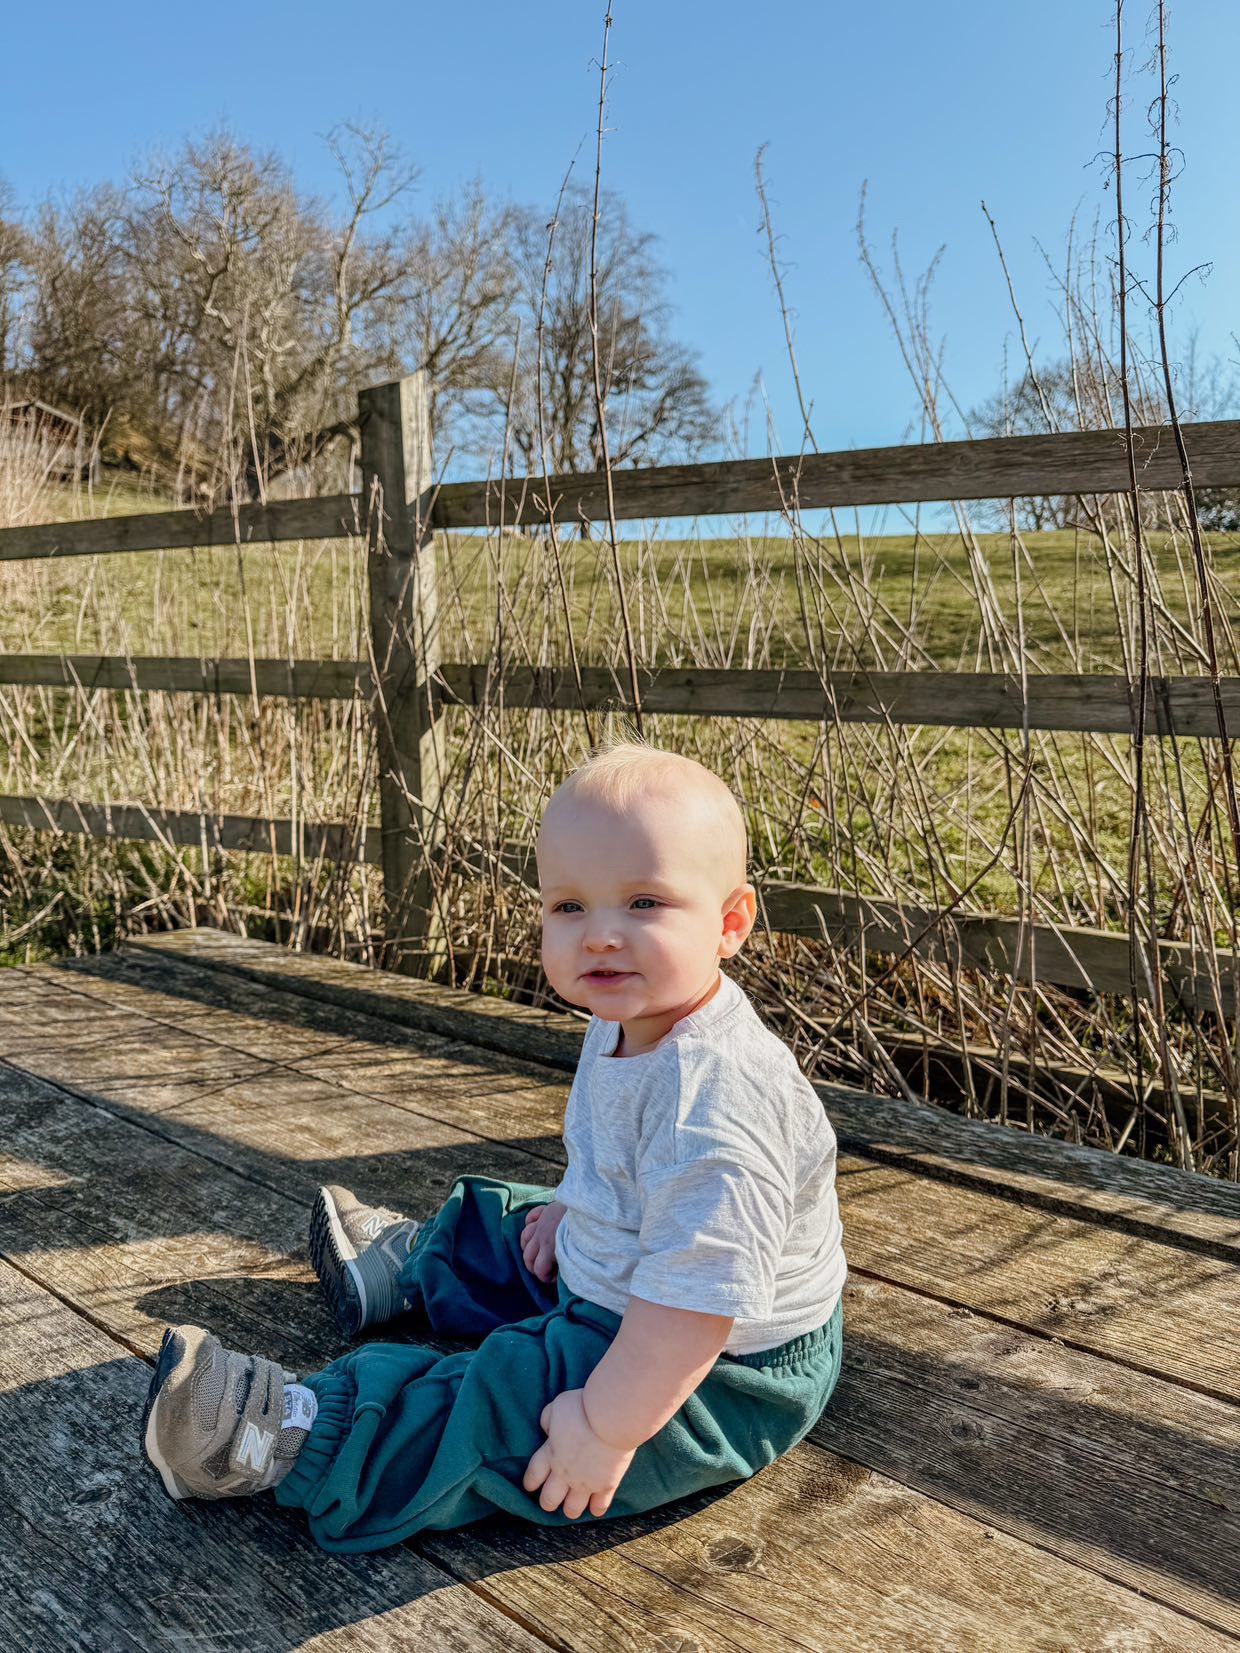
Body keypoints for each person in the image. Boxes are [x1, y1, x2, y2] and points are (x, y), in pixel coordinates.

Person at [140, 740, 847, 1551]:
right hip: (642, 1275)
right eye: (570, 906)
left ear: (730, 923)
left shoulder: (718, 1106)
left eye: (645, 903)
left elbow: (694, 1311)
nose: (601, 936)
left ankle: (289, 1436)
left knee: (513, 1402)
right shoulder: (630, 1014)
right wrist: (574, 1213)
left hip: (710, 1372)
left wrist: (604, 1428)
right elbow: (612, 1162)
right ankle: (417, 1263)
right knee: (521, 1219)